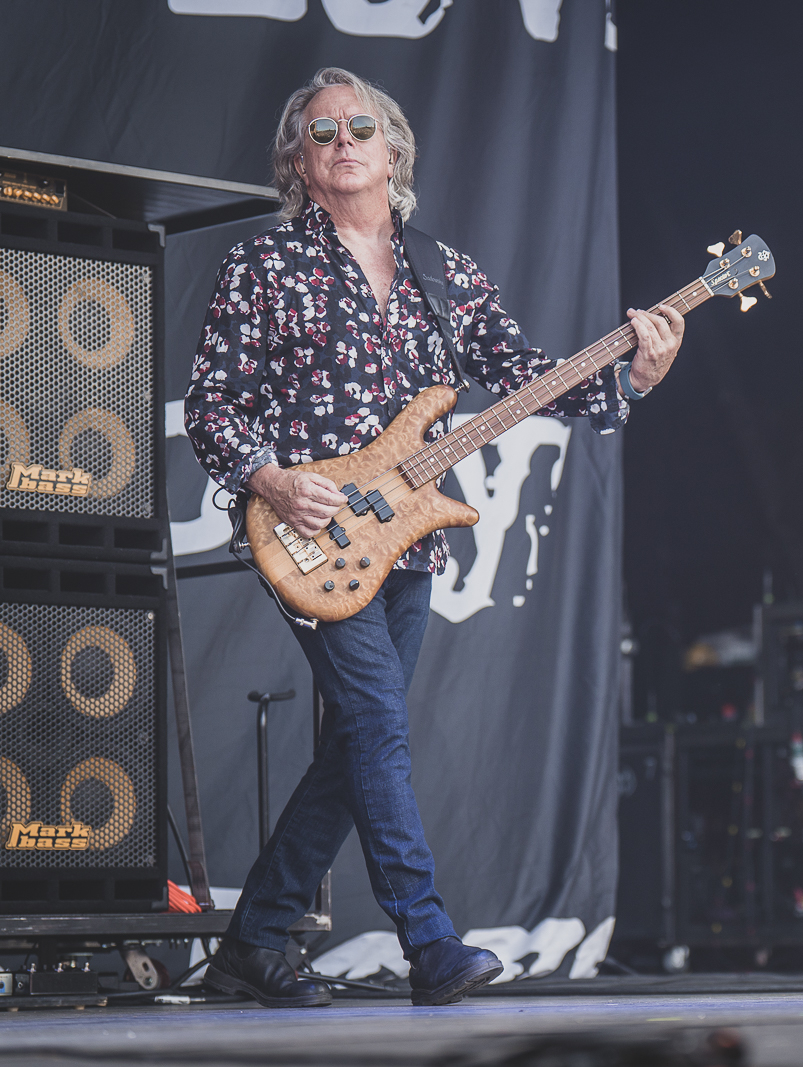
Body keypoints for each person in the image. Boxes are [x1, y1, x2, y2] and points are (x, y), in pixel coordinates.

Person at [184, 68, 684, 1008]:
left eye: (360, 126)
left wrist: (638, 375)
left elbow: (529, 375)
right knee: (375, 725)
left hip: (408, 539)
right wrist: (271, 479)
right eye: (321, 131)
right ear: (298, 158)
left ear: (394, 147)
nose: (344, 141)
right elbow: (213, 403)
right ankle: (431, 941)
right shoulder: (264, 266)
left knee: (355, 749)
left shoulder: (446, 273)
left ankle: (251, 941)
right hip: (313, 536)